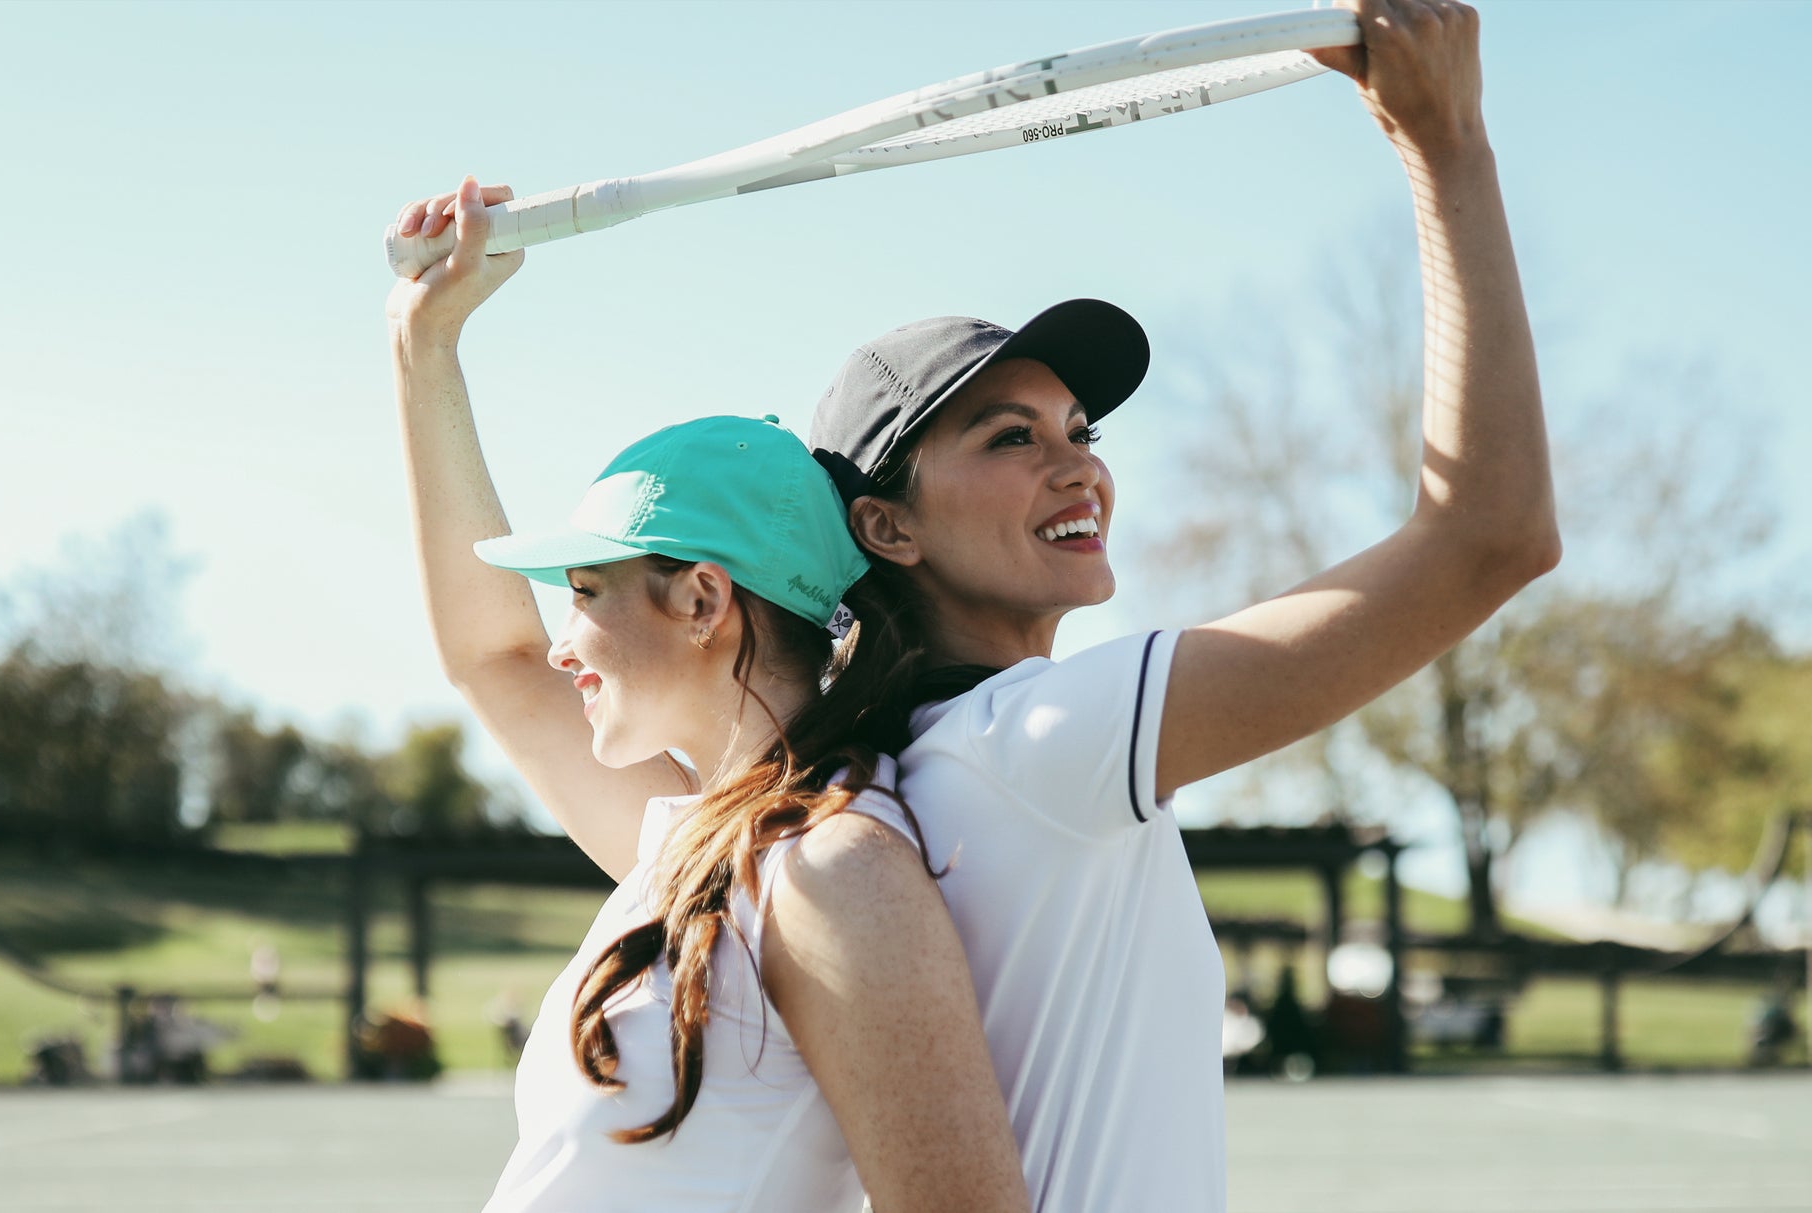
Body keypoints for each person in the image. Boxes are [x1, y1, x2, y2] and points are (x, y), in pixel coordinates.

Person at [805, 1, 1558, 1208]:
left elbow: (505, 673)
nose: (1078, 467)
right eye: (1010, 437)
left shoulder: (884, 772)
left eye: (1081, 431)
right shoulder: (1035, 742)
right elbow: (1490, 536)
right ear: (884, 527)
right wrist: (1445, 145)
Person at [386, 183, 1026, 1212]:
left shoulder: (831, 869)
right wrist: (424, 342)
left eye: (584, 592)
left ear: (701, 599)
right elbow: (490, 656)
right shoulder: (697, 844)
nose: (560, 646)